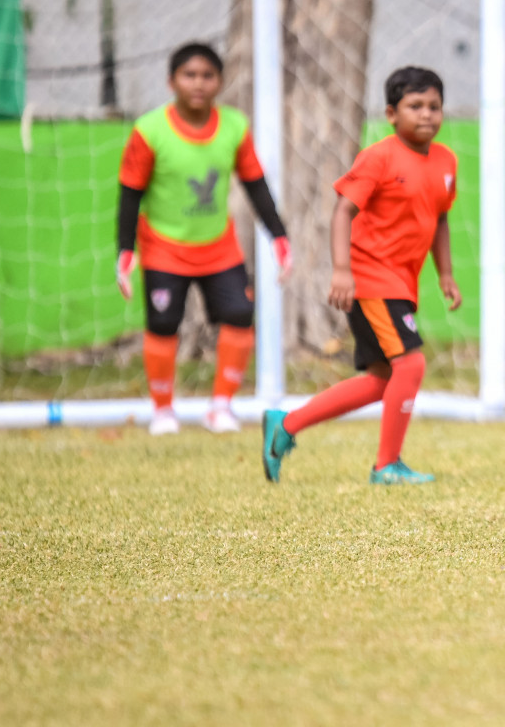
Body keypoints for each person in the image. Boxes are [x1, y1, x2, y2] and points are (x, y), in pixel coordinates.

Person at [260, 67, 462, 486]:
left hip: (402, 284)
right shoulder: (379, 157)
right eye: (415, 106)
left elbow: (440, 218)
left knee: (380, 380)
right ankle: (387, 466)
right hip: (371, 277)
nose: (426, 115)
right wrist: (341, 270)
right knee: (411, 364)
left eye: (434, 106)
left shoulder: (446, 161)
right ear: (391, 113)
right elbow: (343, 211)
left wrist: (445, 274)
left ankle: (287, 424)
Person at [116, 41, 293, 436]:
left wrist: (279, 236)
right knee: (163, 325)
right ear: (171, 81)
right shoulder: (149, 130)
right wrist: (125, 250)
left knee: (239, 315)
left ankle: (221, 407)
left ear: (220, 82)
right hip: (164, 248)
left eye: (207, 76)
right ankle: (163, 411)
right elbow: (130, 192)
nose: (198, 83)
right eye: (189, 75)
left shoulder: (234, 126)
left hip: (219, 247)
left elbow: (255, 183)